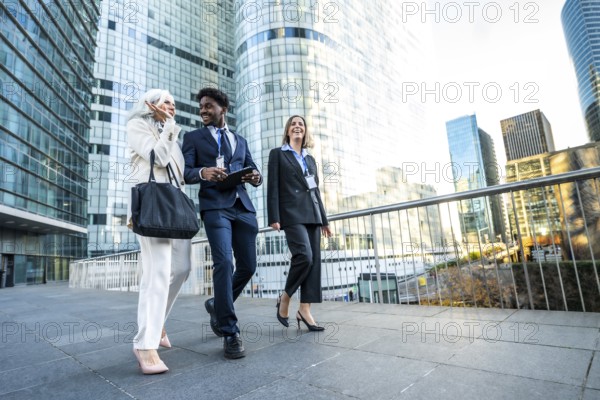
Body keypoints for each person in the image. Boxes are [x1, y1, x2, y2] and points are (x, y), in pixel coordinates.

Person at [182, 87, 262, 359]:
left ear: (222, 109)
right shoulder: (193, 138)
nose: (203, 110)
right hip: (215, 207)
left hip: (243, 208)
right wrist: (204, 172)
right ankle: (230, 331)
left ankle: (218, 304)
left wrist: (255, 177)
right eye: (201, 107)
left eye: (208, 106)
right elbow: (185, 172)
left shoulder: (239, 139)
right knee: (224, 263)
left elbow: (253, 168)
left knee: (248, 266)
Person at [126, 89, 192, 374]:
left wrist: (170, 131)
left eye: (174, 104)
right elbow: (158, 159)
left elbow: (179, 175)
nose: (171, 106)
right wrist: (169, 131)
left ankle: (157, 321)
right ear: (150, 103)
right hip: (152, 209)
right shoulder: (138, 126)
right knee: (158, 273)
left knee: (183, 268)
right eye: (166, 101)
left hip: (173, 212)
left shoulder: (171, 133)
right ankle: (145, 344)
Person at [267, 115, 332, 331]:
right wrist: (274, 217)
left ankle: (305, 309)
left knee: (313, 263)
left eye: (301, 124)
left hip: (312, 213)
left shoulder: (310, 159)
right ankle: (285, 298)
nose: (297, 127)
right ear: (287, 131)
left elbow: (315, 190)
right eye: (293, 124)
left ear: (305, 132)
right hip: (291, 213)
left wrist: (324, 219)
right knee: (304, 255)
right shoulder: (278, 154)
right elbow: (273, 187)